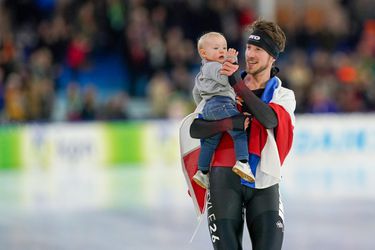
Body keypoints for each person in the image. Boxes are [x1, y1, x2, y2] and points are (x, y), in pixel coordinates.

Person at [189, 19, 296, 250]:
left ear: (272, 57)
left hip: (264, 181)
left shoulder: (282, 94)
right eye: (248, 47)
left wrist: (238, 85)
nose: (250, 54)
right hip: (224, 180)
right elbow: (195, 129)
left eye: (259, 49)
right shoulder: (221, 85)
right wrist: (229, 123)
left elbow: (269, 119)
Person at [191, 32, 255, 189]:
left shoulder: (201, 73)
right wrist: (231, 62)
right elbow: (225, 78)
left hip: (209, 108)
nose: (221, 51)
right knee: (239, 130)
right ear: (203, 53)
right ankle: (242, 162)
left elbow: (196, 94)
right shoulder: (214, 67)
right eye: (216, 48)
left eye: (224, 48)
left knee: (210, 141)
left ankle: (202, 171)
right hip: (221, 104)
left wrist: (204, 108)